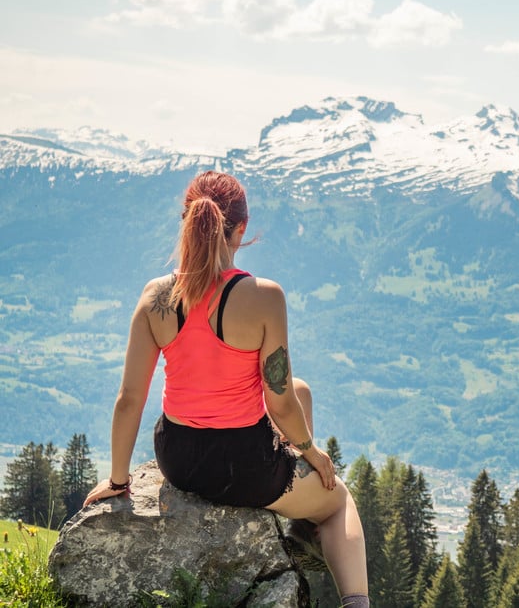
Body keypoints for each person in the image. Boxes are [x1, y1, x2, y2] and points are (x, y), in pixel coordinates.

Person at [83, 170, 369, 607]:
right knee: (338, 499)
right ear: (240, 229)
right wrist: (312, 452)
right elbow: (278, 401)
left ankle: (295, 525)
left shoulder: (155, 296)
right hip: (243, 466)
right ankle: (354, 595)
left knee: (303, 389)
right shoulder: (264, 296)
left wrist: (118, 481)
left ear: (187, 221)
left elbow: (129, 400)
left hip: (177, 456)